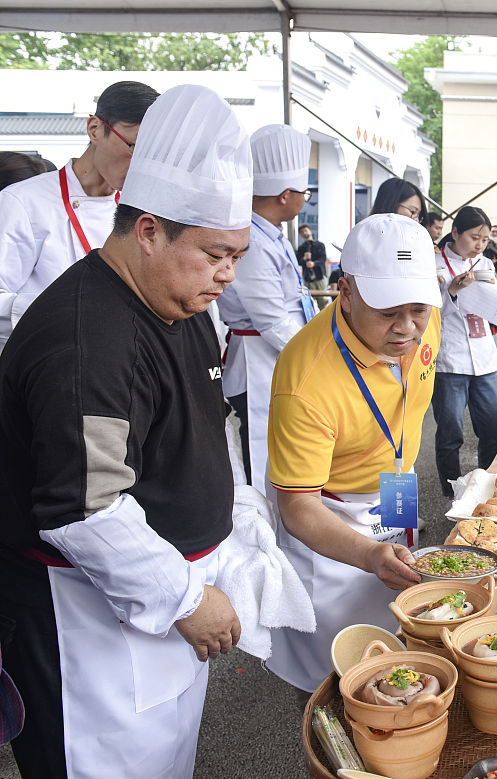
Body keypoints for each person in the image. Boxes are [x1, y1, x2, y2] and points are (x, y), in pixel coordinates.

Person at [0, 83, 250, 779]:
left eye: (238, 256)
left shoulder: (181, 302)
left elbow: (206, 428)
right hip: (88, 629)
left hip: (160, 608)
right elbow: (88, 507)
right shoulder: (86, 339)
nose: (227, 276)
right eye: (214, 254)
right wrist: (185, 597)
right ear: (147, 230)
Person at [266, 213, 442, 693]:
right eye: (387, 313)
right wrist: (366, 553)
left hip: (396, 478)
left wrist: (385, 544)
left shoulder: (426, 319)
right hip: (331, 507)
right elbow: (297, 505)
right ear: (345, 291)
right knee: (335, 665)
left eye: (418, 310)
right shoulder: (305, 380)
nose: (407, 329)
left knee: (401, 621)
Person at [0, 80, 159, 353]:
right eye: (134, 147)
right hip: (43, 360)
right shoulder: (23, 202)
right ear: (95, 128)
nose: (141, 165)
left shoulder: (142, 212)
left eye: (152, 154)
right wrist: (73, 307)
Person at [219, 124, 316, 491]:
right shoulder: (252, 241)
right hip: (259, 358)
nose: (304, 200)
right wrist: (316, 353)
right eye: (303, 193)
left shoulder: (271, 234)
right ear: (285, 194)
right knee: (262, 456)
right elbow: (272, 320)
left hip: (282, 353)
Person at [433, 207, 497, 497]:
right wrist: (451, 291)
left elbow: (493, 309)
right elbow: (426, 311)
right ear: (455, 233)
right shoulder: (435, 263)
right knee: (450, 432)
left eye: (484, 238)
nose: (480, 244)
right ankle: (452, 492)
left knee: (492, 428)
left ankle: (489, 489)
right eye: (474, 237)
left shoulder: (486, 263)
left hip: (485, 358)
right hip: (450, 360)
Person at [298, 224, 330, 310]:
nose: (304, 233)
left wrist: (314, 263)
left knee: (322, 301)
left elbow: (323, 258)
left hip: (320, 277)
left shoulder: (319, 245)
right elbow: (298, 261)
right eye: (301, 232)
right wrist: (304, 259)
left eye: (305, 230)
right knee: (310, 302)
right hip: (308, 278)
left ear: (310, 231)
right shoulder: (301, 248)